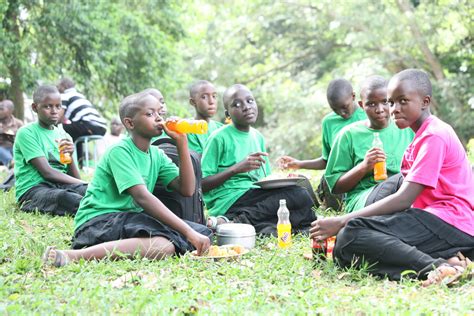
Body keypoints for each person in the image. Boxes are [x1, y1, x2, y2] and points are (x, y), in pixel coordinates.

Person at [310, 69, 474, 285]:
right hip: (438, 221)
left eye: (403, 101)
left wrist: (340, 221)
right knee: (351, 237)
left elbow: (404, 198)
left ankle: (437, 268)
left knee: (351, 236)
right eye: (392, 102)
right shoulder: (422, 134)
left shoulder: (434, 135)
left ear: (425, 102)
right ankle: (453, 260)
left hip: (449, 221)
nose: (393, 109)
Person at [43, 90, 211, 267]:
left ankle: (129, 245)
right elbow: (142, 197)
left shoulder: (157, 155)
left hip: (128, 219)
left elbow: (187, 189)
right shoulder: (120, 151)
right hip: (98, 222)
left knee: (203, 232)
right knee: (167, 245)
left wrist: (182, 144)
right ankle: (74, 256)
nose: (159, 118)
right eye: (149, 113)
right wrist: (188, 232)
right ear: (130, 123)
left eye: (159, 113)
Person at [201, 84, 316, 235]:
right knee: (294, 196)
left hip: (255, 197)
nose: (246, 107)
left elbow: (265, 181)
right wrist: (236, 169)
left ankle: (256, 226)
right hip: (230, 200)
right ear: (227, 113)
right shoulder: (219, 138)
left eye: (250, 101)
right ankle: (233, 222)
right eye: (237, 104)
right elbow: (201, 185)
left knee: (301, 194)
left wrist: (283, 180)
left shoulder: (257, 137)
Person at [325, 76, 414, 212]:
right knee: (402, 183)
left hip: (404, 196)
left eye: (385, 102)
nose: (380, 109)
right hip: (365, 200)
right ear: (361, 105)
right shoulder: (348, 135)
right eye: (371, 104)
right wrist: (363, 167)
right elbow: (335, 186)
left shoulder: (407, 130)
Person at [278, 79, 367, 210]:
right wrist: (299, 164)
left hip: (362, 179)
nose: (341, 113)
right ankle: (321, 201)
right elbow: (328, 161)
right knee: (322, 181)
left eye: (344, 107)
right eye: (335, 109)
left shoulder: (367, 116)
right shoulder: (328, 122)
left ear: (353, 96)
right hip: (340, 182)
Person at [13, 85, 87, 215]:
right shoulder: (27, 133)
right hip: (33, 190)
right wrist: (84, 183)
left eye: (58, 106)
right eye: (48, 106)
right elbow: (48, 173)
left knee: (91, 191)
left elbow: (73, 177)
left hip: (61, 186)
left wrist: (70, 157)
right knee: (67, 198)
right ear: (35, 108)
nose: (54, 111)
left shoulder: (64, 136)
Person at [57, 78, 107, 164]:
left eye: (58, 86)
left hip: (89, 125)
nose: (57, 89)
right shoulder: (79, 96)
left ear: (63, 86)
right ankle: (79, 162)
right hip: (101, 127)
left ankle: (63, 160)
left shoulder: (65, 96)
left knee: (60, 130)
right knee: (73, 134)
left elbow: (58, 116)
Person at [187, 80, 223, 154]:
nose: (211, 101)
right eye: (204, 97)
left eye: (214, 96)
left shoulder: (221, 128)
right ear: (193, 102)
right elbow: (198, 162)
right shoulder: (189, 129)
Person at [0, 99, 24, 167]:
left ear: (10, 111)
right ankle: (11, 163)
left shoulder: (18, 123)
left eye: (1, 109)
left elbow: (24, 137)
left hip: (13, 148)